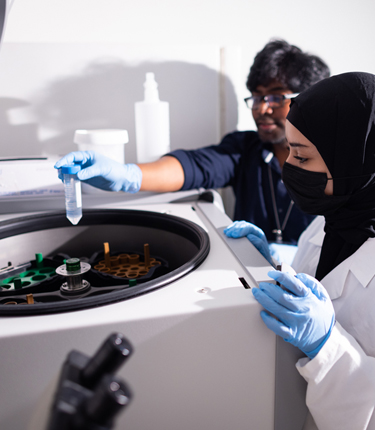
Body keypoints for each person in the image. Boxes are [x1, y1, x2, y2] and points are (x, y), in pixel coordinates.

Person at [54, 39, 330, 245]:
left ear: (310, 99)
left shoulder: (338, 165)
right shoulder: (246, 150)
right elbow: (195, 166)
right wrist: (128, 175)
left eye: (275, 97)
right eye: (256, 97)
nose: (261, 109)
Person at [225, 72, 375, 429]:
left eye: (302, 157)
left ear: (356, 161)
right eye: (289, 150)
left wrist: (327, 346)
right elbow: (319, 282)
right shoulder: (333, 216)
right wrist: (272, 264)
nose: (289, 167)